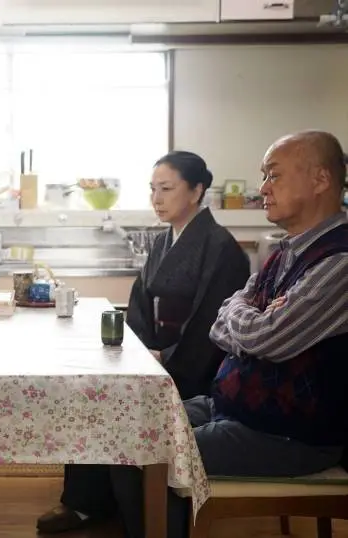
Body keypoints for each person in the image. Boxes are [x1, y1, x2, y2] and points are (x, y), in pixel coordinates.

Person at [60, 130, 348, 538]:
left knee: (142, 450)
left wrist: (242, 321)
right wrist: (248, 317)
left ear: (320, 179)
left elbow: (263, 337)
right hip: (232, 403)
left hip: (285, 430)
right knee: (117, 421)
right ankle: (100, 510)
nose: (263, 188)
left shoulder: (338, 262)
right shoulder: (287, 251)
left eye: (274, 175)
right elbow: (222, 319)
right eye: (264, 176)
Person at [37, 151, 251, 535]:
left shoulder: (221, 247)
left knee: (115, 405)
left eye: (166, 189)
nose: (157, 199)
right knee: (94, 387)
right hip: (155, 357)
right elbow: (140, 301)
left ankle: (139, 517)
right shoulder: (162, 240)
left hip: (193, 367)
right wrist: (135, 351)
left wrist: (164, 358)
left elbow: (212, 323)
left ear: (196, 191)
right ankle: (89, 502)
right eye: (153, 189)